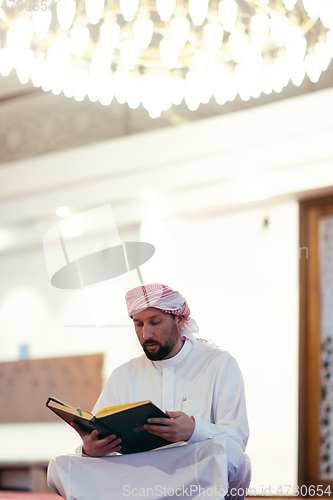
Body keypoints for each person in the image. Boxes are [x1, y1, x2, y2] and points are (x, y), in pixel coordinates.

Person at [48, 283, 251, 500]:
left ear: (180, 320)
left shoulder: (218, 363)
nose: (146, 333)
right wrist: (90, 449)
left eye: (155, 322)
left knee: (228, 453)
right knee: (60, 466)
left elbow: (236, 437)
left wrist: (193, 430)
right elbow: (99, 431)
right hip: (139, 474)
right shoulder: (123, 375)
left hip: (192, 470)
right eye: (138, 324)